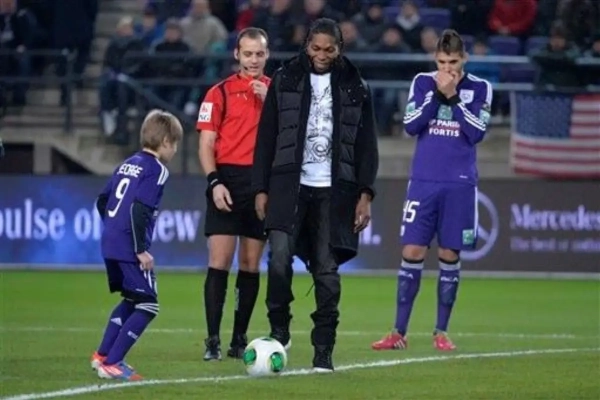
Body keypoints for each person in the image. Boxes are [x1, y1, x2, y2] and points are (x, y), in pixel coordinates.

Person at [252, 18, 379, 372]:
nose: (322, 55)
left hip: (335, 192)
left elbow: (367, 145)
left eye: (329, 49)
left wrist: (366, 193)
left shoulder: (356, 86)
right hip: (287, 186)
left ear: (340, 49)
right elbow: (267, 136)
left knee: (326, 272)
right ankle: (279, 328)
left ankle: (323, 349)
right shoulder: (285, 79)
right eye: (316, 48)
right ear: (306, 44)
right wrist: (260, 188)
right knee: (279, 258)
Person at [371, 29, 493, 352]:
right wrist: (439, 95)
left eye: (453, 62)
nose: (447, 69)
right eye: (442, 62)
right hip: (424, 181)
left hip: (460, 184)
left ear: (464, 59)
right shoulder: (423, 83)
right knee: (412, 252)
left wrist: (453, 97)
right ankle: (398, 332)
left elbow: (476, 132)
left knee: (449, 255)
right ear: (434, 59)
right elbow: (411, 125)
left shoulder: (481, 87)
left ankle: (441, 332)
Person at [91, 109, 183, 381]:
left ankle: (102, 355)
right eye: (175, 143)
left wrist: (113, 228)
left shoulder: (126, 164)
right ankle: (113, 362)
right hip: (129, 245)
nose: (176, 150)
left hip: (110, 241)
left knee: (133, 299)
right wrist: (140, 249)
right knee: (148, 304)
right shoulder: (157, 170)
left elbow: (102, 201)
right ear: (165, 141)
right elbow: (140, 209)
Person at [197, 27, 271, 361]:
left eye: (259, 54)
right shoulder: (218, 93)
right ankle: (212, 339)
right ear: (237, 54)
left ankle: (239, 339)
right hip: (226, 180)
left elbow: (292, 135)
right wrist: (214, 182)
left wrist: (271, 103)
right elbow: (206, 144)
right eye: (248, 53)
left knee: (251, 264)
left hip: (260, 183)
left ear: (267, 56)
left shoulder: (278, 94)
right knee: (220, 261)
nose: (253, 60)